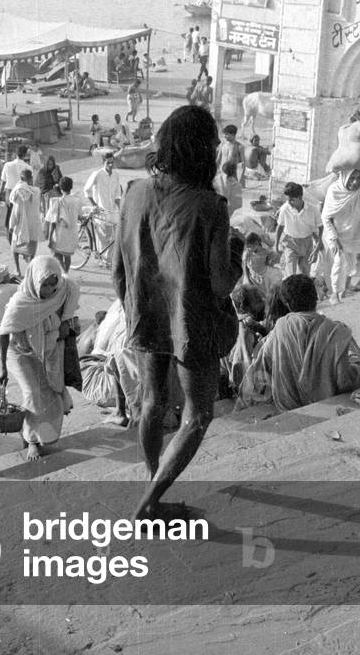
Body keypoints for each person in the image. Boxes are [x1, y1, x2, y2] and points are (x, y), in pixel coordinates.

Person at [113, 105, 243, 517]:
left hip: (148, 314)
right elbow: (222, 283)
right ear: (204, 151)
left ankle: (153, 481)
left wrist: (133, 308)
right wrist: (237, 248)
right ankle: (148, 502)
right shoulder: (210, 206)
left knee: (151, 403)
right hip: (193, 323)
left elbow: (119, 266)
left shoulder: (135, 191)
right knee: (198, 415)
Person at [238, 274, 360, 412]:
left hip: (288, 407)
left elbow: (258, 371)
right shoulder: (336, 331)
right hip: (328, 403)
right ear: (316, 297)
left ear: (286, 304)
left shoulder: (279, 329)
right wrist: (356, 361)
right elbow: (346, 380)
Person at [0, 256, 80, 461]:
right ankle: (33, 442)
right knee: (33, 392)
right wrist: (2, 369)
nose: (50, 290)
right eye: (45, 285)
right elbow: (3, 334)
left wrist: (65, 329)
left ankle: (40, 434)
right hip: (19, 352)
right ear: (34, 281)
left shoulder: (60, 294)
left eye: (54, 284)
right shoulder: (20, 303)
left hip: (46, 350)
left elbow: (69, 318)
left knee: (50, 393)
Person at [321, 167, 360, 301]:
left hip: (353, 234)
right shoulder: (334, 190)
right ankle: (334, 293)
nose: (355, 182)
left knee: (351, 264)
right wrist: (334, 238)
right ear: (345, 177)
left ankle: (343, 290)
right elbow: (326, 217)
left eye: (359, 178)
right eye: (352, 178)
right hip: (335, 235)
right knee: (339, 262)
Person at [275, 181, 321, 278]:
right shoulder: (285, 209)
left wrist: (317, 247)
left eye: (292, 200)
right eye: (288, 200)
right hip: (290, 243)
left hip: (307, 243)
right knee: (291, 275)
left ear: (300, 197)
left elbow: (321, 227)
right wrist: (276, 246)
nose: (289, 203)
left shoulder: (313, 209)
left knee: (305, 274)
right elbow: (280, 227)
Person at [84, 151, 122, 257]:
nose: (110, 165)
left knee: (114, 238)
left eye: (112, 163)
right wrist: (94, 204)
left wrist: (121, 209)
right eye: (108, 163)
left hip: (113, 211)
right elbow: (87, 190)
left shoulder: (116, 175)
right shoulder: (97, 174)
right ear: (103, 162)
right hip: (100, 211)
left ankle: (108, 259)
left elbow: (117, 195)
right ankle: (103, 260)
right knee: (103, 237)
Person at [45, 176, 83, 272]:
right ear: (71, 187)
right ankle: (66, 272)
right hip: (72, 233)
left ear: (61, 189)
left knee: (57, 255)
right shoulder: (77, 201)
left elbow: (52, 222)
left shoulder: (56, 202)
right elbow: (80, 216)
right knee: (67, 256)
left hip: (60, 234)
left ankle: (64, 273)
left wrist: (49, 238)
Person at [9, 169, 41, 275]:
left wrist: (12, 224)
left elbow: (15, 209)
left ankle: (17, 269)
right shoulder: (37, 191)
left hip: (20, 223)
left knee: (15, 247)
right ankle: (29, 270)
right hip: (33, 223)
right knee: (31, 248)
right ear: (30, 179)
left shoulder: (17, 191)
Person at [0, 145, 31, 238]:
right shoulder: (28, 167)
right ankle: (18, 238)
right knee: (21, 217)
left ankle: (10, 239)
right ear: (25, 155)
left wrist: (0, 192)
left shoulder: (7, 165)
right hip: (22, 193)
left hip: (9, 193)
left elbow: (3, 181)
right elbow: (30, 184)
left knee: (9, 217)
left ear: (15, 154)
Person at [241, 232, 279, 299]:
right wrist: (248, 279)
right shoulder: (247, 254)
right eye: (247, 247)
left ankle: (268, 303)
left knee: (267, 294)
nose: (248, 249)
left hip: (264, 277)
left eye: (249, 247)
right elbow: (245, 267)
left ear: (256, 244)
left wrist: (270, 263)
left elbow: (275, 256)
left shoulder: (265, 251)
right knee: (254, 294)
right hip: (252, 278)